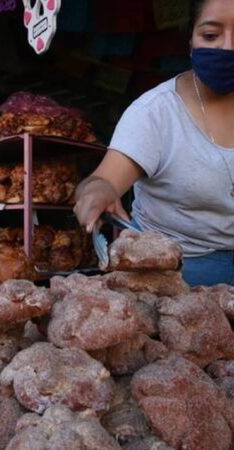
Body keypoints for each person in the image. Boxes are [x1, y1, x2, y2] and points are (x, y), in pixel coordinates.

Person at [74, 0, 234, 287]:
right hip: (172, 276)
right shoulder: (155, 111)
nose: (226, 47)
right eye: (211, 36)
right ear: (190, 40)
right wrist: (96, 192)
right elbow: (103, 180)